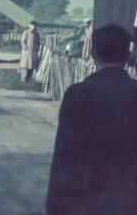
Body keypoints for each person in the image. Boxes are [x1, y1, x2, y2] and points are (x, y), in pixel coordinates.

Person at [46, 23, 137, 214]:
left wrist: (55, 206)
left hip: (86, 201)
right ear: (129, 56)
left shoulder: (77, 94)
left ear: (93, 54)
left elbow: (65, 156)